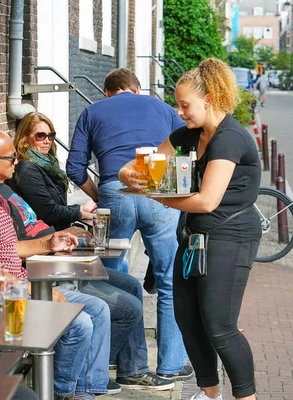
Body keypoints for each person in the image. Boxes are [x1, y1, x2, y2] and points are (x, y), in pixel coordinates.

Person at [119, 58, 261, 400]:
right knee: (187, 318)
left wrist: (159, 197)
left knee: (220, 325)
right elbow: (142, 164)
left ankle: (246, 397)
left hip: (230, 236)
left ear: (209, 99)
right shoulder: (188, 135)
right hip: (194, 237)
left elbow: (208, 200)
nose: (180, 112)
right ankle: (209, 394)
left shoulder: (230, 139)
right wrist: (130, 175)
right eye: (178, 105)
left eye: (185, 105)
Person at [0, 127, 110, 400]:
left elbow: (7, 248)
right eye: (11, 158)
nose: (16, 163)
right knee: (79, 323)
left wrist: (49, 244)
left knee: (98, 308)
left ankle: (83, 391)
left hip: (17, 288)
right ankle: (61, 393)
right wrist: (34, 291)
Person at [66, 68, 192, 381]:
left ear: (107, 92)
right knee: (168, 280)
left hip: (113, 189)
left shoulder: (92, 112)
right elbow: (189, 145)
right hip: (157, 191)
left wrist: (103, 195)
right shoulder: (161, 107)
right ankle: (170, 366)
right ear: (135, 89)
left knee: (113, 279)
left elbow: (74, 167)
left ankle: (127, 366)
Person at [0, 179, 174, 391]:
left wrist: (71, 227)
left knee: (131, 285)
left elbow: (47, 218)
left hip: (58, 254)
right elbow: (48, 214)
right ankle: (88, 379)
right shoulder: (19, 179)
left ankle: (130, 370)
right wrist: (77, 216)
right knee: (123, 309)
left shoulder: (16, 186)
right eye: (9, 157)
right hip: (48, 268)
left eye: (49, 141)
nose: (46, 142)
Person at [8, 112, 97, 231]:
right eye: (40, 136)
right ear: (25, 139)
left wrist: (81, 210)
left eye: (50, 135)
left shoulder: (49, 164)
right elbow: (48, 212)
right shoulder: (26, 169)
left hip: (57, 232)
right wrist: (79, 212)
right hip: (43, 238)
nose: (47, 141)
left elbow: (55, 206)